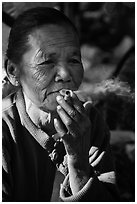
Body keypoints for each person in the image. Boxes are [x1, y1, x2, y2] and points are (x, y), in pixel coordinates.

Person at [2, 7, 119, 201]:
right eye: (47, 62)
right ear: (13, 71)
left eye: (74, 60)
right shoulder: (5, 130)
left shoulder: (89, 121)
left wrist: (78, 162)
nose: (65, 75)